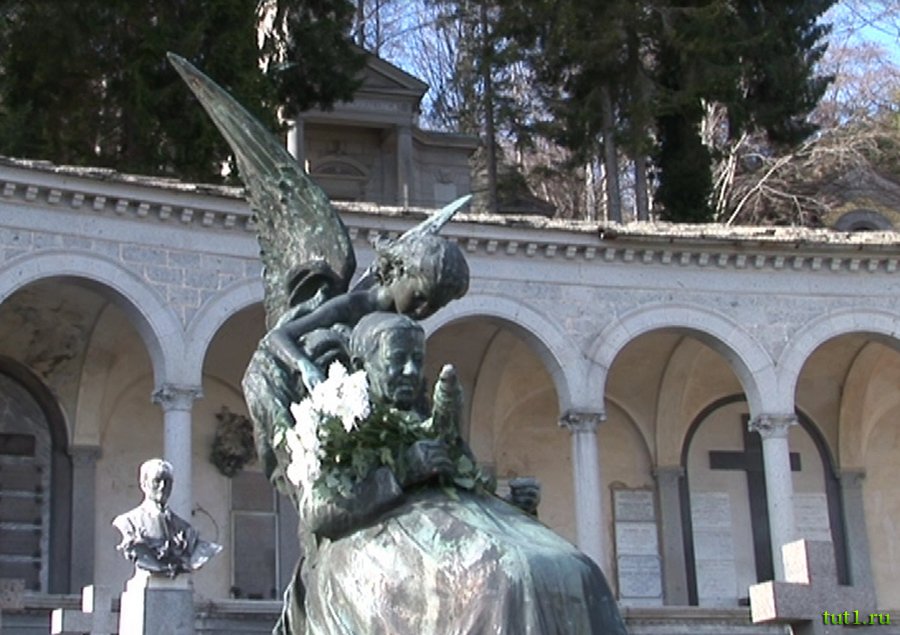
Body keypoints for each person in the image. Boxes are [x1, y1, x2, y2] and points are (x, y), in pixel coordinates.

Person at [279, 313, 628, 635]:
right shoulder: (332, 419)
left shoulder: (430, 424)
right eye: (398, 359)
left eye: (417, 360)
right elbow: (318, 511)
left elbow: (467, 485)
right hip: (374, 536)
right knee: (505, 578)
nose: (410, 371)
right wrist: (401, 472)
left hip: (445, 527)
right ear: (361, 365)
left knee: (579, 570)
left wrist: (514, 506)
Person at [112, 458, 221, 578]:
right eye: (157, 481)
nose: (162, 486)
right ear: (144, 484)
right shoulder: (128, 521)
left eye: (167, 482)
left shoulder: (185, 529)